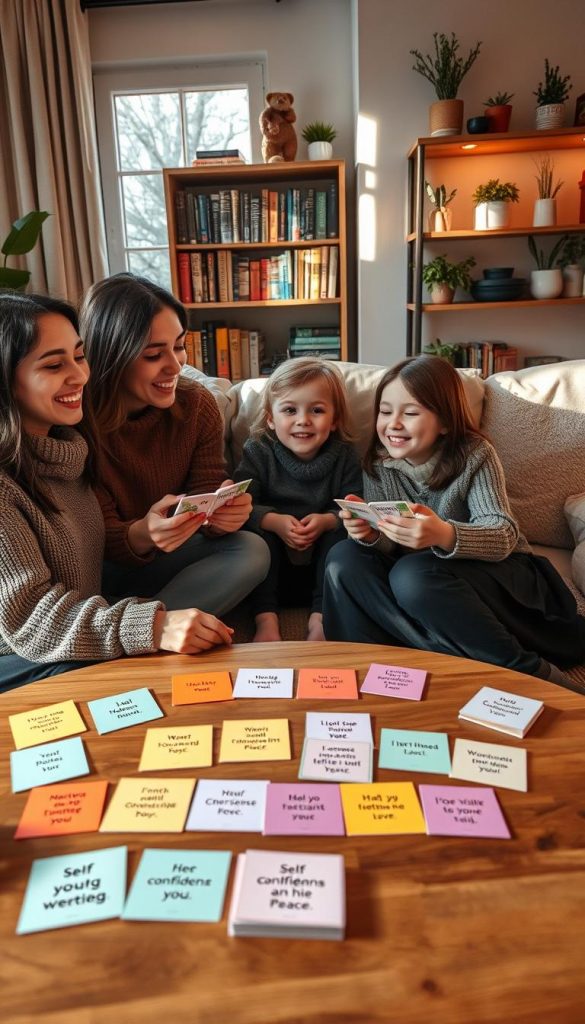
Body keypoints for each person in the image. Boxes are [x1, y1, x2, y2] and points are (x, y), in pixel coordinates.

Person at [0, 292, 234, 693]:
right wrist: (156, 625)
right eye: (55, 365)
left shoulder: (66, 448)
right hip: (21, 657)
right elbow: (28, 619)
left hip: (75, 632)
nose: (79, 377)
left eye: (79, 356)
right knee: (118, 681)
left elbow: (97, 556)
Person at [323, 355, 585, 685]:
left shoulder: (475, 453)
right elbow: (388, 545)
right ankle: (382, 670)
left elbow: (502, 533)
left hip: (501, 575)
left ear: (445, 422)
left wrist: (443, 534)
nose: (393, 424)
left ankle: (528, 671)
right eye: (386, 412)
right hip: (427, 587)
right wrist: (372, 535)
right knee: (344, 557)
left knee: (412, 573)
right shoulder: (377, 464)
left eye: (411, 413)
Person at [80, 273, 269, 617]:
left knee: (252, 549)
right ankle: (132, 631)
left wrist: (222, 517)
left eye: (179, 345)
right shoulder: (76, 422)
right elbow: (90, 540)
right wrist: (142, 534)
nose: (176, 364)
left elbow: (206, 494)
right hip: (102, 572)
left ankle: (141, 630)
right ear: (111, 356)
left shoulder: (196, 404)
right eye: (154, 354)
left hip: (170, 561)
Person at [233, 357, 362, 643]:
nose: (303, 420)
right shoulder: (259, 450)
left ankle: (320, 619)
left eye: (316, 410)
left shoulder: (345, 455)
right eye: (290, 410)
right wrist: (273, 521)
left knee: (343, 536)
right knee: (256, 537)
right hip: (273, 572)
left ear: (335, 419)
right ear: (270, 417)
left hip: (320, 569)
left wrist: (328, 521)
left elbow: (356, 505)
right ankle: (265, 621)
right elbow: (242, 503)